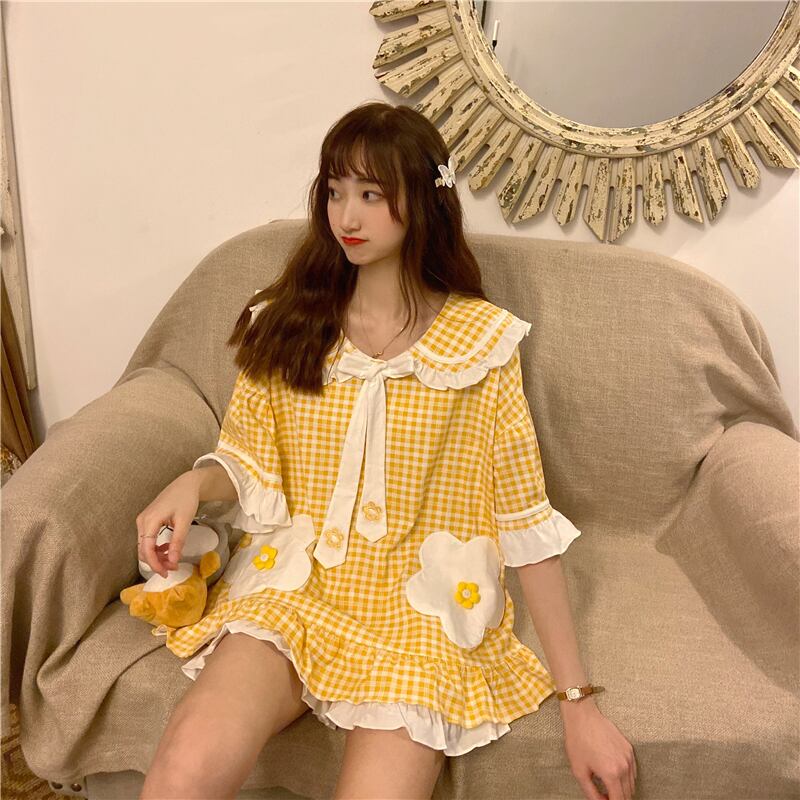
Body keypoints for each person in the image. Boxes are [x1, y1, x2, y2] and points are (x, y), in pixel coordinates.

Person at [135, 101, 633, 800]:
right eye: (335, 190)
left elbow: (523, 521)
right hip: (297, 586)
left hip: (421, 610)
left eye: (371, 194)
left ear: (421, 201)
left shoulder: (482, 346)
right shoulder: (287, 322)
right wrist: (192, 485)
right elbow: (247, 458)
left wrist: (577, 703)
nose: (348, 215)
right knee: (183, 768)